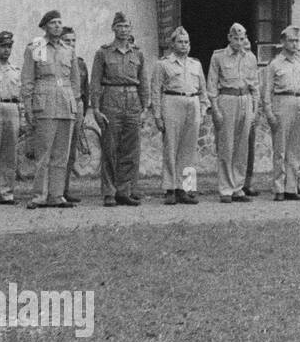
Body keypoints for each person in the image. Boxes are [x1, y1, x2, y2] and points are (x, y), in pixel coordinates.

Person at [21, 10, 82, 209]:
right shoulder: (35, 47)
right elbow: (28, 79)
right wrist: (28, 108)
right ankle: (39, 195)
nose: (57, 26)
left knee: (61, 154)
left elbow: (75, 80)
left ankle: (56, 196)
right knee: (43, 153)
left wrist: (74, 102)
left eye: (59, 22)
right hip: (44, 101)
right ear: (45, 26)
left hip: (65, 102)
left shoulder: (68, 49)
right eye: (53, 23)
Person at [91, 11, 149, 206]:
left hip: (132, 101)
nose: (124, 30)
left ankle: (123, 191)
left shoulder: (138, 53)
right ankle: (109, 191)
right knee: (110, 148)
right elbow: (95, 83)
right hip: (111, 100)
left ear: (131, 29)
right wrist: (96, 109)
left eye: (127, 26)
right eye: (120, 26)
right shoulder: (103, 53)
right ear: (113, 28)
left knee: (130, 150)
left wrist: (145, 108)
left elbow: (144, 83)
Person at [152, 27, 208, 205]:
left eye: (186, 42)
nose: (184, 45)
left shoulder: (195, 64)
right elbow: (155, 91)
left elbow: (203, 90)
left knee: (189, 150)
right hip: (172, 102)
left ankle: (187, 189)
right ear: (172, 44)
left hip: (192, 103)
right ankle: (170, 189)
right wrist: (157, 115)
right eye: (180, 42)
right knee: (171, 148)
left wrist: (203, 109)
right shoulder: (163, 64)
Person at [260, 26, 300, 202]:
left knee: (296, 150)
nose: (294, 44)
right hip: (282, 104)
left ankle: (292, 187)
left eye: (297, 40)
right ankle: (279, 188)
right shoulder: (275, 64)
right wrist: (269, 113)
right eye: (291, 40)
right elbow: (266, 91)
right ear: (283, 42)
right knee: (280, 149)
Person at [207, 23, 259, 204]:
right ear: (229, 38)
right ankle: (225, 189)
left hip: (245, 99)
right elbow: (212, 85)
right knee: (226, 146)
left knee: (242, 147)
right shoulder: (218, 57)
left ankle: (238, 187)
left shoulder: (250, 58)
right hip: (227, 99)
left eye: (242, 38)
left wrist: (254, 110)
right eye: (235, 38)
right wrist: (215, 108)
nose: (239, 42)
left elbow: (255, 86)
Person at [0, 31, 21, 205]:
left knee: (10, 153)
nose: (6, 50)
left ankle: (7, 193)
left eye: (9, 47)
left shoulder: (15, 69)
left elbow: (20, 94)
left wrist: (22, 116)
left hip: (12, 108)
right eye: (3, 46)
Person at [60, 27, 89, 204]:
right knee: (58, 151)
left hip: (76, 106)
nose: (71, 44)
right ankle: (53, 190)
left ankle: (65, 189)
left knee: (71, 152)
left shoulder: (80, 63)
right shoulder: (57, 60)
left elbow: (85, 90)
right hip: (60, 105)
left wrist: (83, 111)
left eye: (73, 41)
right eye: (66, 41)